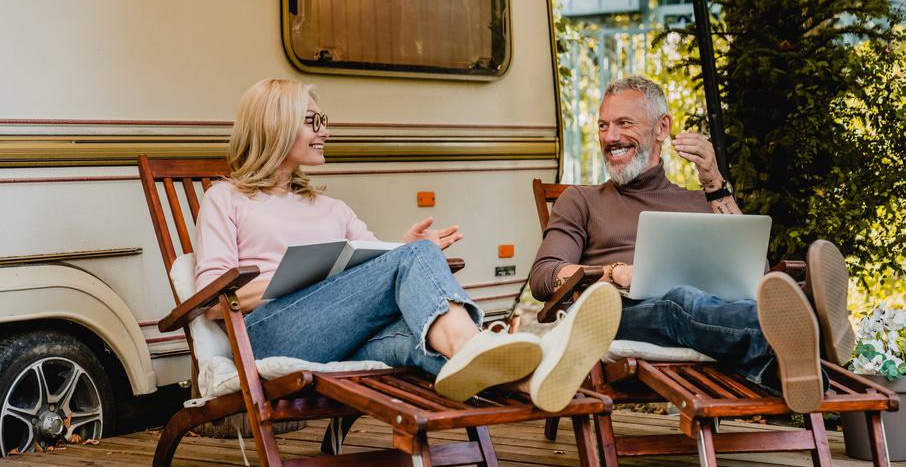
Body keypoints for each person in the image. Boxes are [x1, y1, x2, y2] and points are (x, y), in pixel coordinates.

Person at [194, 78, 622, 421]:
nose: (325, 130)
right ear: (276, 125)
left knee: (419, 339)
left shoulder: (332, 208)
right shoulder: (228, 199)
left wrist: (405, 250)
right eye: (312, 120)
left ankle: (528, 377)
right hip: (271, 334)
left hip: (343, 339)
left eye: (322, 119)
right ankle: (499, 343)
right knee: (416, 259)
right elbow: (214, 300)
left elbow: (374, 273)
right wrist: (319, 274)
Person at [529, 76, 855, 413]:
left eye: (624, 124)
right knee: (678, 301)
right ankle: (812, 323)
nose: (610, 137)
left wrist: (714, 181)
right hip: (617, 314)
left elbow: (755, 272)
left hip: (707, 315)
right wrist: (616, 273)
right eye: (603, 126)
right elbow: (543, 276)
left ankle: (792, 345)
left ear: (662, 127)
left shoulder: (699, 202)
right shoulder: (581, 200)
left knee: (699, 298)